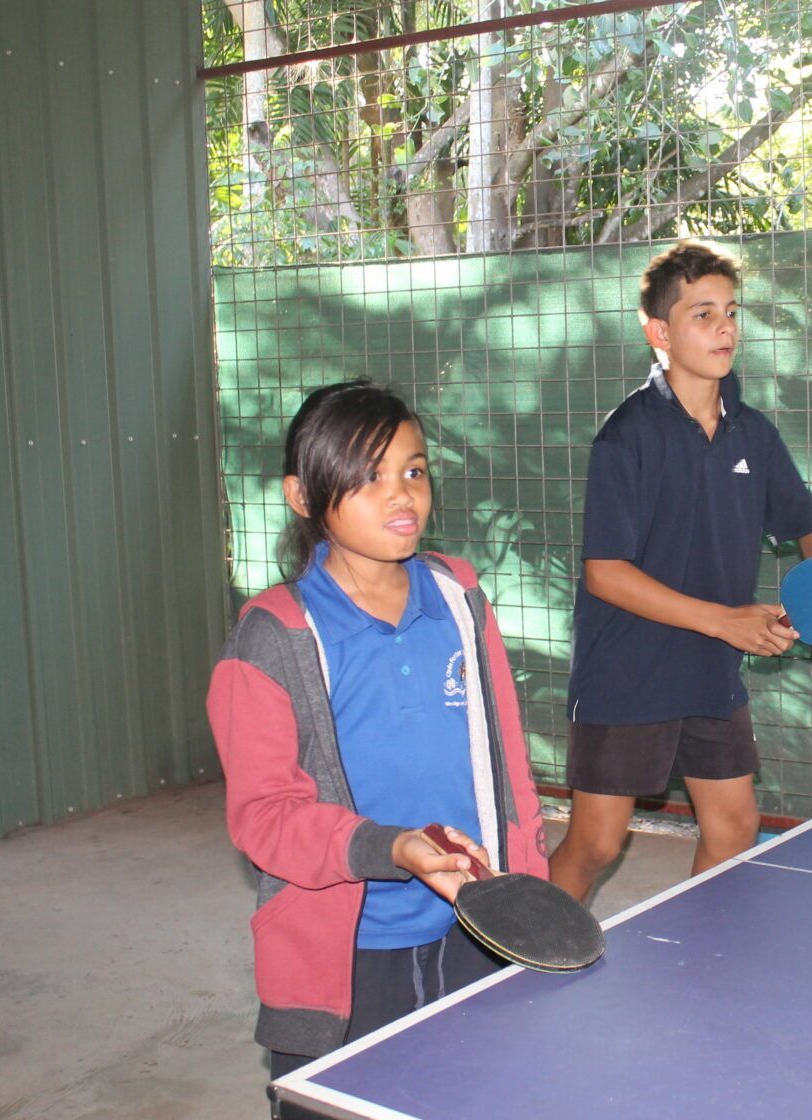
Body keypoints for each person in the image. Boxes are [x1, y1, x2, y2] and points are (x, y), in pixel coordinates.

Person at [206, 380, 548, 1085]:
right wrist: (391, 847)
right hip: (347, 953)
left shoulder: (459, 595)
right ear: (303, 496)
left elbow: (508, 764)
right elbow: (265, 819)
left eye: (413, 471)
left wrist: (523, 891)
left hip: (473, 928)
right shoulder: (272, 637)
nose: (401, 495)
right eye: (367, 477)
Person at [549, 239, 812, 902]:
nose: (724, 326)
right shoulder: (626, 437)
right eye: (702, 314)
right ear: (657, 331)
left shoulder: (755, 436)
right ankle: (517, 956)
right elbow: (606, 573)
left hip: (709, 673)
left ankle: (692, 959)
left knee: (733, 827)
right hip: (627, 672)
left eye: (730, 311)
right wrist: (725, 622)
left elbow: (811, 530)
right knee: (598, 843)